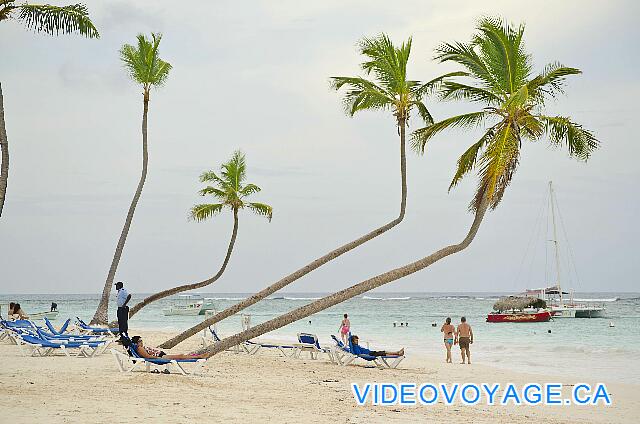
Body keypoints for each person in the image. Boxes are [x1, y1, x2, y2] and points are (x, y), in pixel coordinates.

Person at [130, 336, 208, 360]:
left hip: (161, 355)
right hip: (161, 357)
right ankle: (199, 356)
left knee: (181, 356)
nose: (142, 342)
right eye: (140, 341)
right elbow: (147, 356)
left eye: (141, 340)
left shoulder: (140, 347)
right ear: (137, 342)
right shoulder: (139, 348)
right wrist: (158, 358)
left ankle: (196, 356)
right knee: (180, 356)